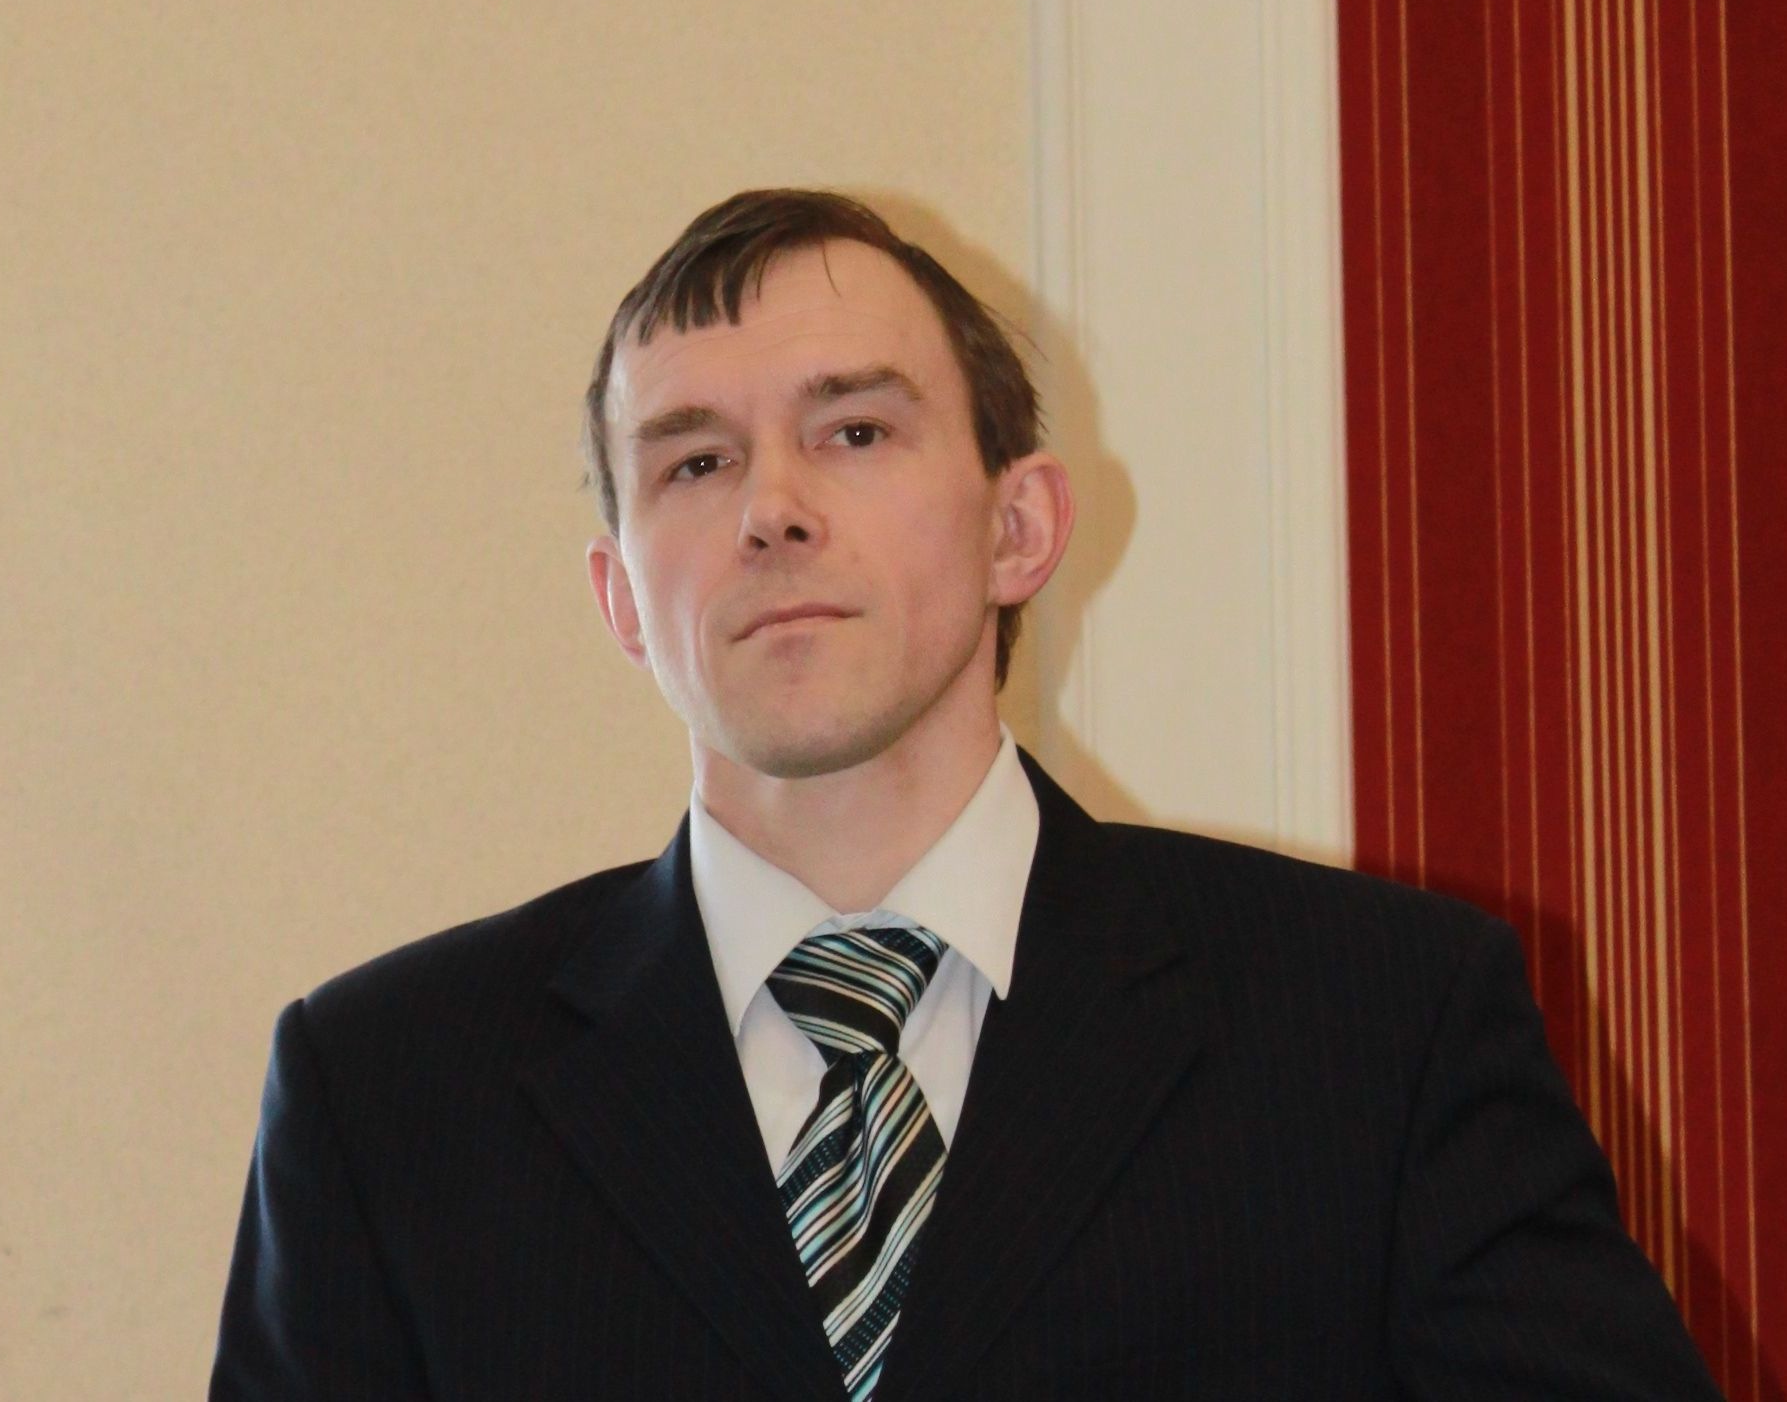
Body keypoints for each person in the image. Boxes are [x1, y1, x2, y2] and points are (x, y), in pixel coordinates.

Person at [211, 190, 1720, 1400]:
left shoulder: (1381, 1024)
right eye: (695, 464)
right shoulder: (386, 1092)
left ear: (1020, 528)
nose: (772, 508)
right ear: (620, 598)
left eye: (855, 431)